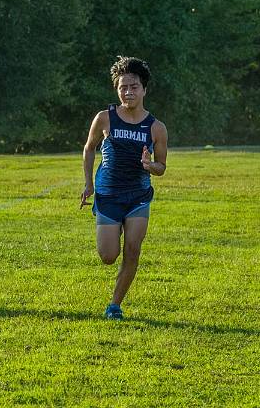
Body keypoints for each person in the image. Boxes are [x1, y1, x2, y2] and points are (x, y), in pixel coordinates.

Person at [80, 56, 168, 321]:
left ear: (144, 90)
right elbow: (89, 148)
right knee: (108, 256)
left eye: (134, 87)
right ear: (117, 89)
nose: (128, 92)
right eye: (123, 87)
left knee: (133, 248)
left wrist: (148, 165)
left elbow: (162, 166)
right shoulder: (104, 118)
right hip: (108, 194)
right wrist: (88, 184)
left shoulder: (156, 128)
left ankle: (114, 306)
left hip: (138, 196)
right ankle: (112, 225)